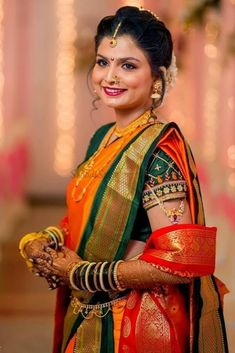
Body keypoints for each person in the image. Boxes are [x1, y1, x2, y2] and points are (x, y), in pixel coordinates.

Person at [19, 6, 229, 353]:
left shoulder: (158, 153)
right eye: (103, 62)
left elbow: (183, 261)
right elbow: (86, 217)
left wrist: (83, 275)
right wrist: (47, 239)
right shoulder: (102, 137)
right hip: (87, 312)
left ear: (157, 78)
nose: (109, 76)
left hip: (131, 325)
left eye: (127, 65)